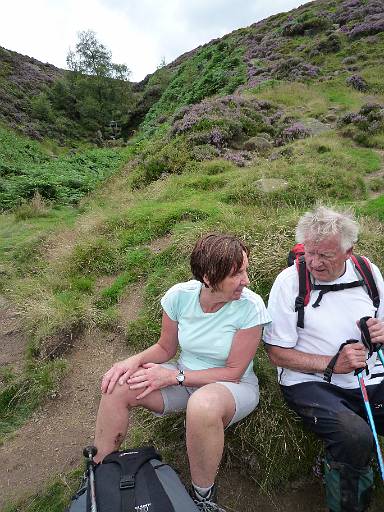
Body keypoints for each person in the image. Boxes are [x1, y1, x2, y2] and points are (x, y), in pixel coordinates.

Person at [94, 233, 271, 512]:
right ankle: (99, 474)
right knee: (118, 386)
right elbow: (165, 348)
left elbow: (234, 371)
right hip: (183, 375)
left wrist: (175, 377)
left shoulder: (250, 307)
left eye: (245, 270)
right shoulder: (179, 297)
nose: (246, 280)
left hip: (232, 386)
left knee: (202, 406)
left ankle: (203, 497)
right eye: (237, 273)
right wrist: (131, 361)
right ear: (209, 277)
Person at [263, 206, 384, 512]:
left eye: (325, 256)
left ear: (348, 251)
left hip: (370, 375)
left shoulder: (368, 272)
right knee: (354, 436)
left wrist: (379, 334)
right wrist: (331, 364)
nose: (314, 262)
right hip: (310, 383)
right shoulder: (289, 283)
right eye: (309, 253)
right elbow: (276, 354)